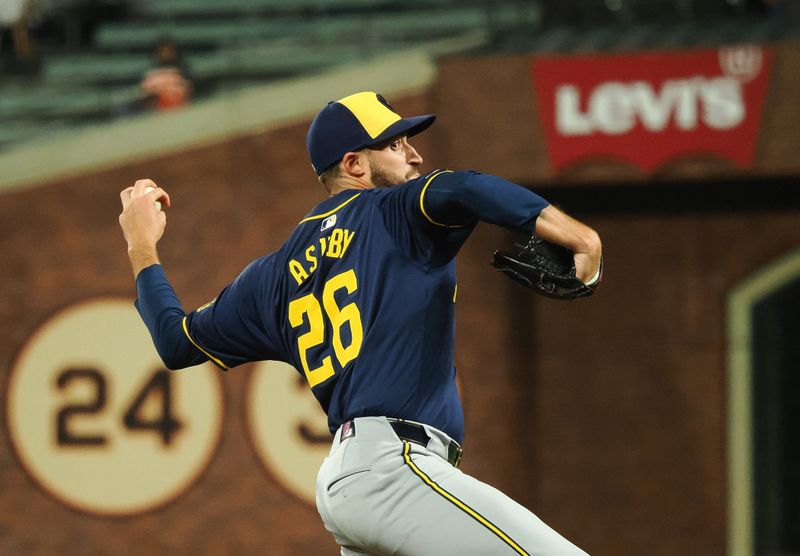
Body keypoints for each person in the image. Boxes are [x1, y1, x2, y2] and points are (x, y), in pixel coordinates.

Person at [118, 91, 601, 555]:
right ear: (354, 164)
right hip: (398, 468)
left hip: (350, 481)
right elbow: (464, 186)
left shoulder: (270, 278)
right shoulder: (395, 211)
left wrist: (142, 246)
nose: (413, 157)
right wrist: (580, 238)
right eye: (394, 144)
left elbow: (174, 341)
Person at [133, 37, 192, 112]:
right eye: (162, 51)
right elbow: (143, 97)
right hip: (157, 115)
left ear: (174, 52)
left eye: (169, 51)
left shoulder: (184, 72)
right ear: (156, 54)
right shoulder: (150, 75)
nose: (166, 54)